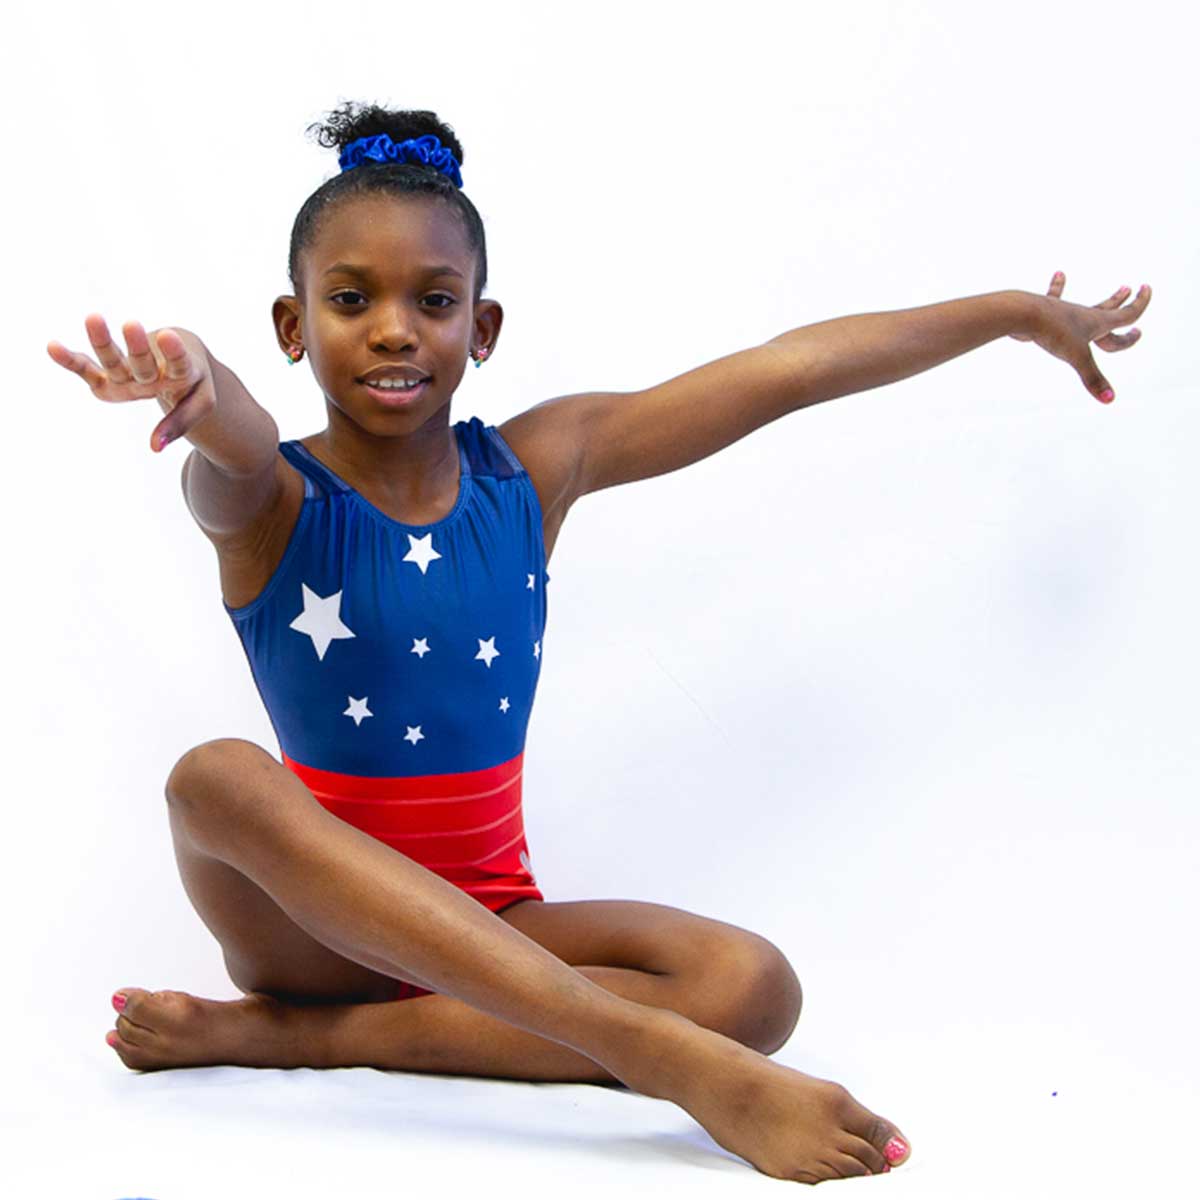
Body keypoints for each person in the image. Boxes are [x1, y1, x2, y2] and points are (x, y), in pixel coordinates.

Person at [46, 101, 1150, 1185]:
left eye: (433, 299)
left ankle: (295, 1040)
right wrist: (191, 378)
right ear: (293, 327)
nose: (393, 327)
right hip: (308, 935)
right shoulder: (272, 500)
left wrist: (1009, 311)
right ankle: (654, 1055)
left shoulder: (532, 470)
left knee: (754, 987)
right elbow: (231, 443)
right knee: (213, 778)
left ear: (482, 330)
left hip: (495, 922)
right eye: (350, 298)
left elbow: (786, 368)